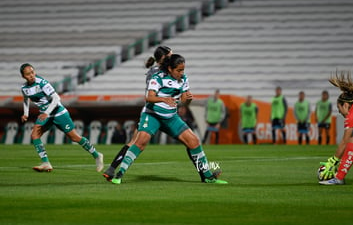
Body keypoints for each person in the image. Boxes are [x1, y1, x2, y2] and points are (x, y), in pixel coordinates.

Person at [111, 54, 227, 184]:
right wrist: (163, 99)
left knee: (194, 141)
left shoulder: (183, 79)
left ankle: (207, 176)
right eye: (178, 70)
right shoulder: (157, 78)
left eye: (183, 70)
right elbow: (149, 97)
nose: (181, 73)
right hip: (152, 115)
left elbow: (183, 102)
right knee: (141, 142)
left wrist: (188, 100)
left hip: (170, 117)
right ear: (170, 69)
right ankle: (119, 174)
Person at [102, 46, 172, 181]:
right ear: (163, 58)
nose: (172, 58)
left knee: (134, 142)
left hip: (157, 110)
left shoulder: (157, 70)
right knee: (136, 143)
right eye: (170, 55)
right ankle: (113, 170)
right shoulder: (157, 72)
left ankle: (111, 169)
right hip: (154, 112)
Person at [19, 63, 104, 172]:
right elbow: (26, 99)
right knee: (35, 135)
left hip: (58, 112)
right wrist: (26, 113)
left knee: (74, 137)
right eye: (28, 74)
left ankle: (97, 155)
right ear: (23, 76)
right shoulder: (24, 88)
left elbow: (56, 98)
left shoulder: (42, 83)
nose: (31, 75)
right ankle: (46, 163)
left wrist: (47, 112)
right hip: (46, 115)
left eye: (32, 72)